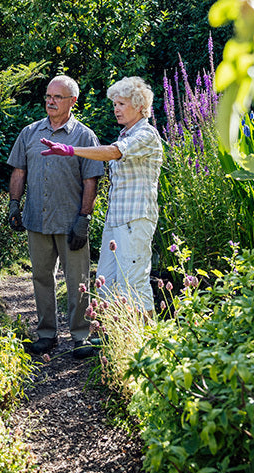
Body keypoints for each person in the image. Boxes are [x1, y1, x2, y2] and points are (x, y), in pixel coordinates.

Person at [40, 76, 163, 316]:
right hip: (116, 221)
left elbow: (113, 153)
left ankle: (147, 343)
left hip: (136, 220)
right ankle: (120, 341)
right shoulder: (125, 134)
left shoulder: (146, 135)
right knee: (106, 285)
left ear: (139, 105)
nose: (116, 109)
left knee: (135, 283)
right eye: (114, 104)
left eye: (121, 104)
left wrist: (71, 150)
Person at [8, 75, 105, 358]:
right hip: (36, 219)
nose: (50, 101)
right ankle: (46, 335)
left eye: (57, 97)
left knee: (78, 279)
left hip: (70, 221)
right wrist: (14, 204)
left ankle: (81, 336)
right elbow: (19, 171)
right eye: (48, 96)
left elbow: (91, 181)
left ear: (72, 101)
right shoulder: (29, 133)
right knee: (40, 277)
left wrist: (84, 219)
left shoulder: (84, 137)